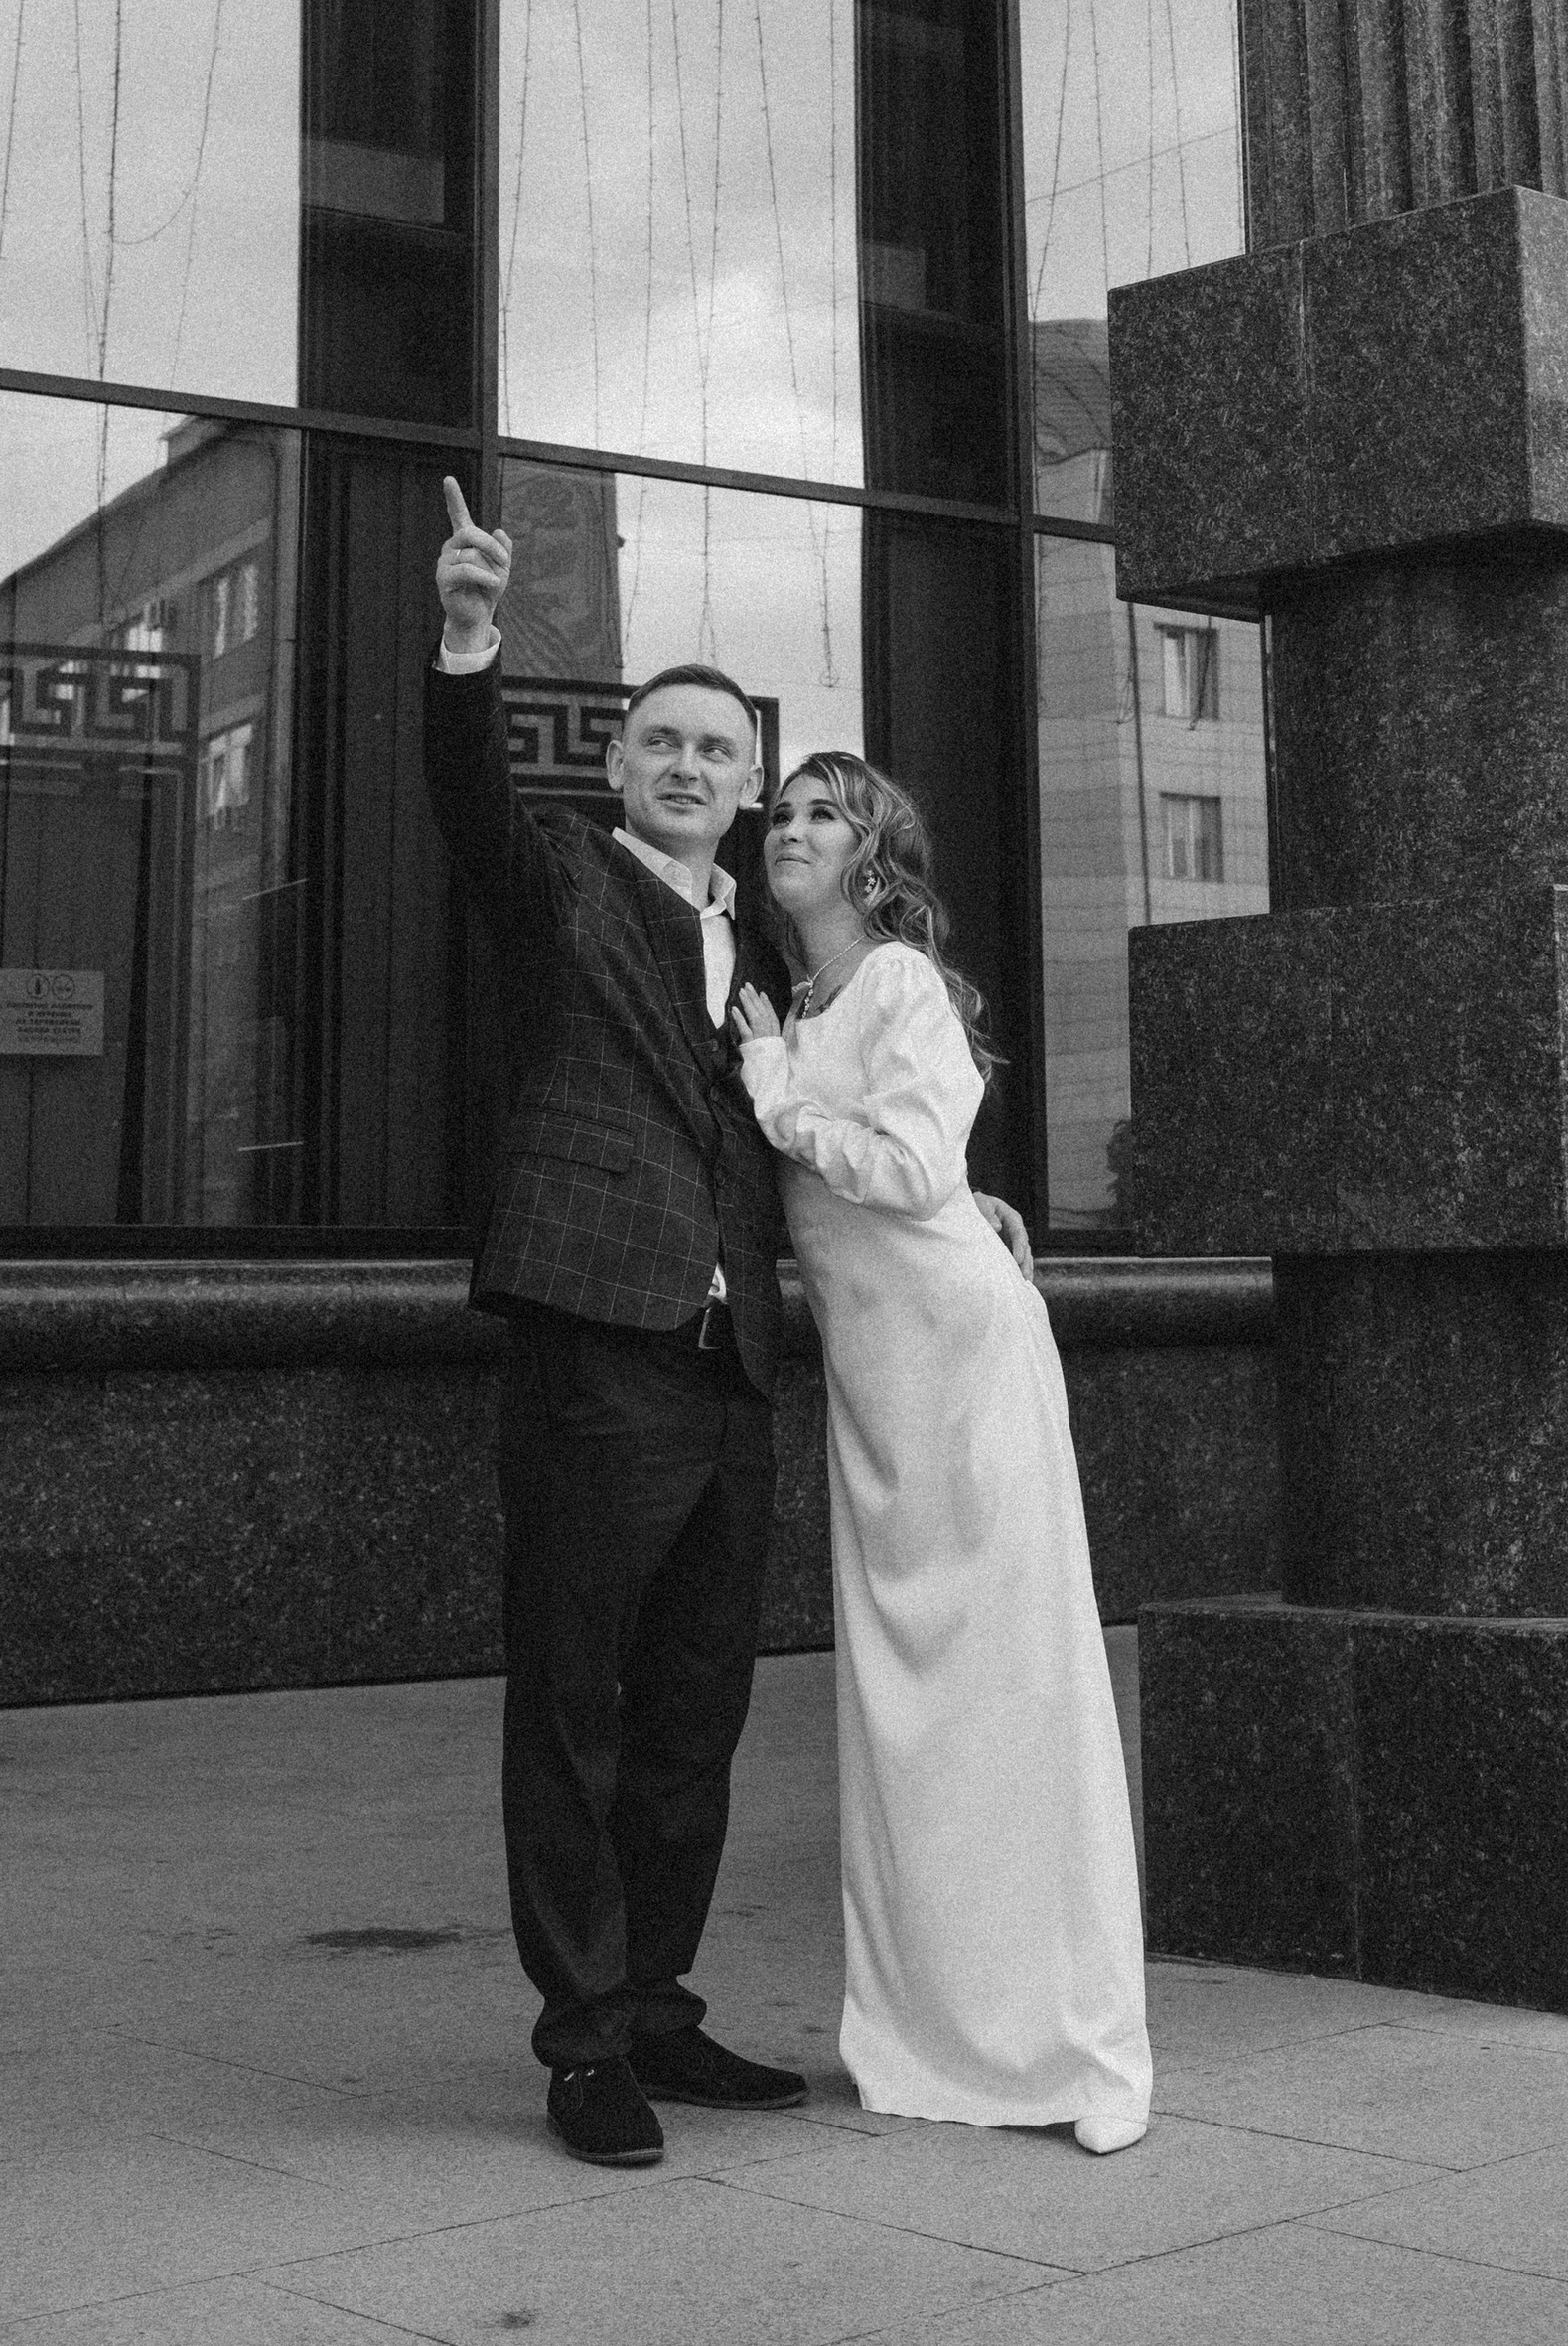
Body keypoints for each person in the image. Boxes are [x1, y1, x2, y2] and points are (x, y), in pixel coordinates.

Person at [424, 480, 1032, 2171]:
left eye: (718, 750)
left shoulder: (770, 934)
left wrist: (950, 1197)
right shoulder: (556, 876)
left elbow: (824, 1105)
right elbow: (464, 792)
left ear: (751, 785)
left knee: (698, 1700)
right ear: (619, 770)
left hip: (734, 1361)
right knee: (575, 1696)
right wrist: (470, 636)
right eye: (661, 743)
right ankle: (582, 2038)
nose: (690, 767)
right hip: (595, 1334)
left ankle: (662, 2005)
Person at [736, 752, 1152, 2155]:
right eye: (779, 810)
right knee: (909, 1725)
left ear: (872, 856)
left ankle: (1076, 2056)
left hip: (962, 1371)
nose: (788, 828)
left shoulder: (894, 984)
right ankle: (931, 2039)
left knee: (1013, 1698)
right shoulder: (791, 1002)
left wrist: (771, 1091)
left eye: (821, 814)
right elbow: (918, 1168)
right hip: (879, 1390)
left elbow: (904, 1169)